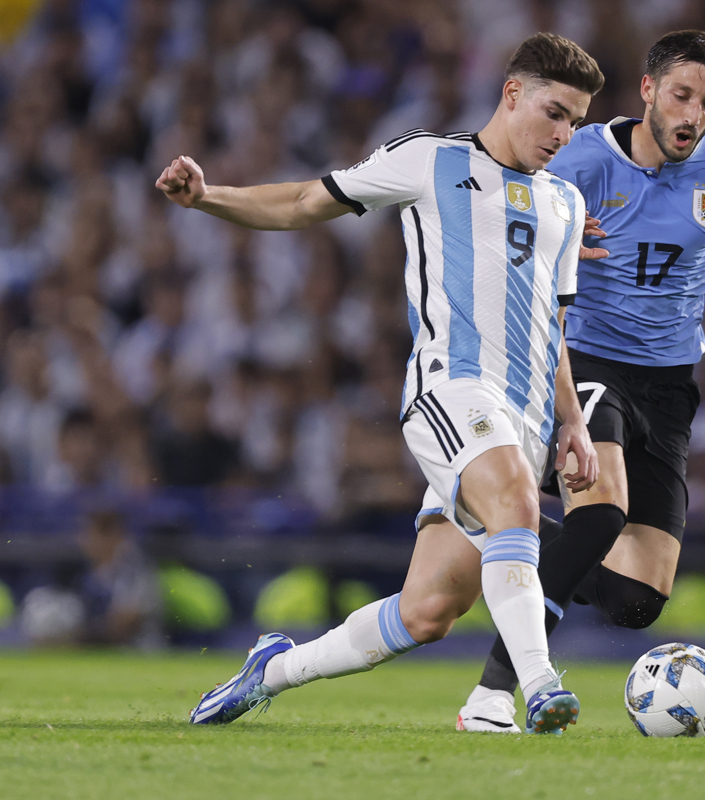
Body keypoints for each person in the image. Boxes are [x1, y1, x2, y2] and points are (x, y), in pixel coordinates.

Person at [160, 33, 605, 735]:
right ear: (512, 93)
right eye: (555, 112)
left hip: (518, 424)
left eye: (576, 122)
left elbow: (552, 322)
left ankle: (271, 670)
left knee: (427, 612)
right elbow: (307, 200)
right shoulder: (431, 159)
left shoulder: (565, 205)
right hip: (448, 392)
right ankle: (540, 684)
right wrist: (208, 196)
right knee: (519, 499)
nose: (564, 133)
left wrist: (573, 421)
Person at [457, 30, 705, 733]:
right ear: (647, 91)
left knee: (636, 600)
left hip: (669, 385)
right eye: (681, 96)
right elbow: (495, 225)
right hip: (582, 363)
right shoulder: (576, 159)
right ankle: (494, 693)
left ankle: (514, 533)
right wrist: (552, 237)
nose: (694, 115)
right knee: (604, 512)